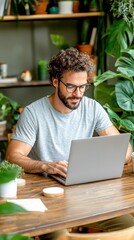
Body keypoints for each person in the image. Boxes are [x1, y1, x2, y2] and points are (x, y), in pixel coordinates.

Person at [6, 48, 133, 239]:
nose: (78, 94)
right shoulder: (34, 113)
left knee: (129, 228)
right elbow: (13, 157)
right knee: (59, 237)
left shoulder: (92, 108)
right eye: (71, 86)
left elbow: (125, 149)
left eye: (83, 87)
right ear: (55, 82)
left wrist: (103, 162)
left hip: (88, 196)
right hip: (49, 199)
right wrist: (45, 165)